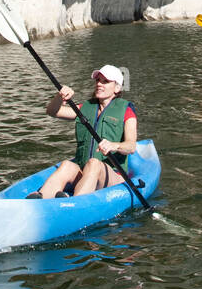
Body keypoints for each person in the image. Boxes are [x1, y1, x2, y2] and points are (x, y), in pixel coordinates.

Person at [30, 64, 138, 198]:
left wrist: (114, 145)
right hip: (84, 172)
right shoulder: (86, 107)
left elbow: (131, 146)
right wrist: (60, 97)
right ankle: (39, 200)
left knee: (94, 164)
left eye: (105, 81)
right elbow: (52, 111)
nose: (99, 84)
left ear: (117, 88)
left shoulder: (126, 110)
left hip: (113, 177)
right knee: (66, 165)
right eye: (98, 80)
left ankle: (75, 204)